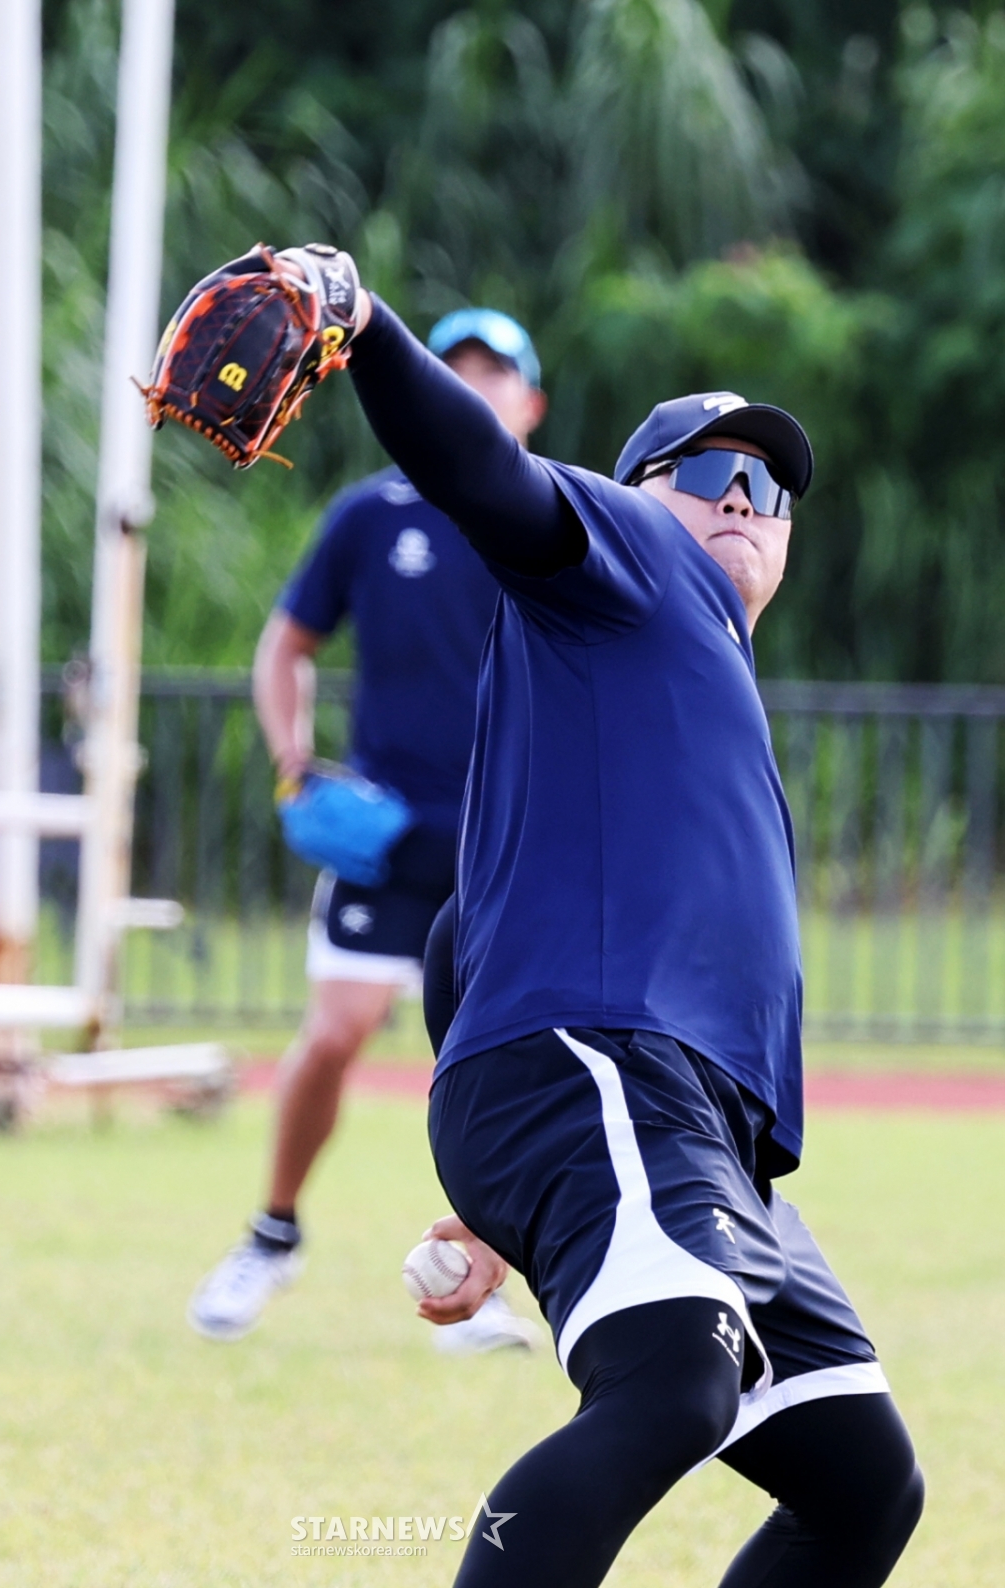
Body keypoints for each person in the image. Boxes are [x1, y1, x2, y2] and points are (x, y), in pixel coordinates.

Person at [316, 279, 923, 1585]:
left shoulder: (670, 668)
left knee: (861, 1483)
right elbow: (486, 472)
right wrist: (364, 326)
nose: (745, 502)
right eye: (711, 472)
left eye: (773, 488)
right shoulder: (633, 559)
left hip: (687, 1124)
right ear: (638, 492)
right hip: (611, 1067)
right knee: (670, 1389)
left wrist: (497, 1197)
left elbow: (461, 935)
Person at [187, 309, 546, 1353]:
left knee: (495, 1063)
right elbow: (285, 644)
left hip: (504, 842)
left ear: (531, 403)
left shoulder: (552, 515)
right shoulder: (372, 514)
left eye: (496, 373)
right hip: (388, 839)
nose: (473, 386)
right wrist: (294, 764)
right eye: (454, 369)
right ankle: (273, 1233)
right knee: (336, 1032)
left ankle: (476, 1275)